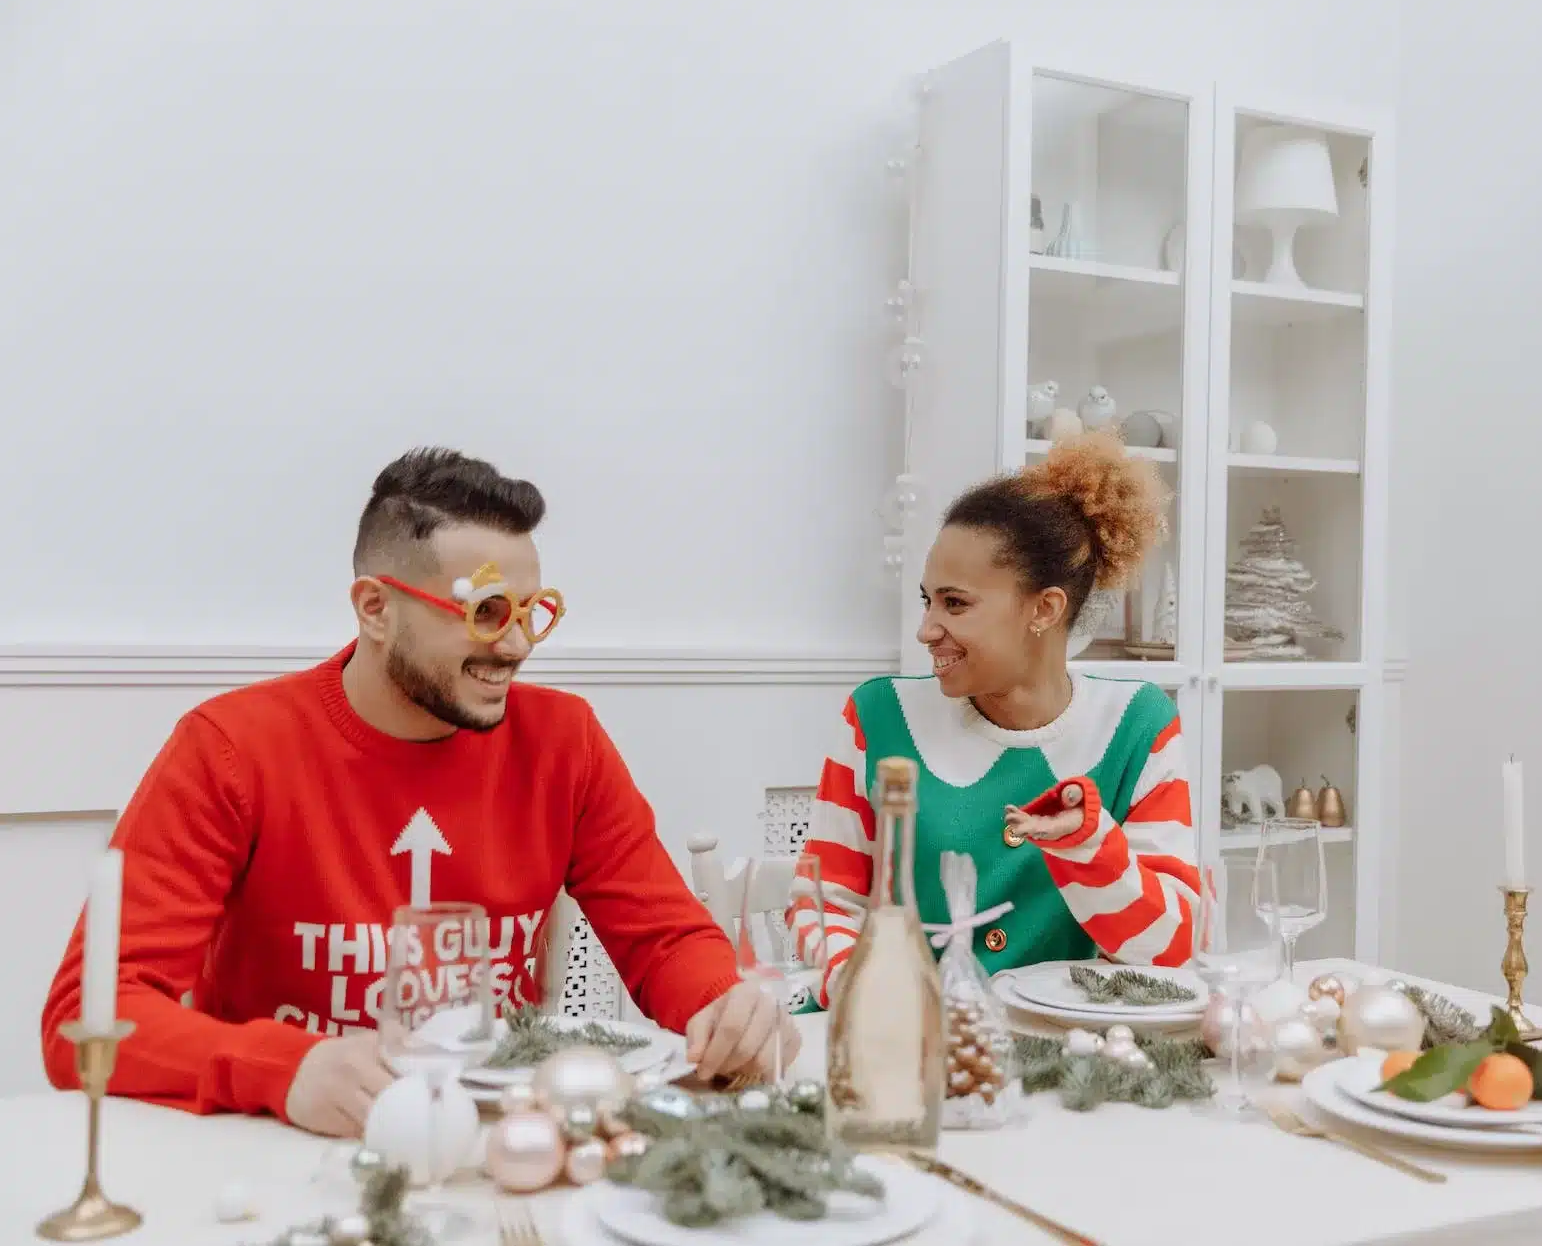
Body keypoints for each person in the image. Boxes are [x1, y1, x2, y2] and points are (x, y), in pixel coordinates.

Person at [41, 447, 795, 1136]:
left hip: (493, 1141)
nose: (518, 645)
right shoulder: (232, 749)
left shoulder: (565, 740)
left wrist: (722, 1006)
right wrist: (285, 1066)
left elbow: (664, 936)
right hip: (278, 1136)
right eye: (487, 612)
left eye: (534, 612)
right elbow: (88, 1013)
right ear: (375, 607)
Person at [790, 432, 1199, 1003]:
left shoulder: (1138, 725)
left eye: (955, 604)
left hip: (1060, 1058)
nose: (927, 629)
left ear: (1045, 608)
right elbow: (822, 901)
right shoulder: (878, 715)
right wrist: (869, 993)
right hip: (893, 1047)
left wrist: (1087, 846)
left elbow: (1170, 947)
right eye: (927, 600)